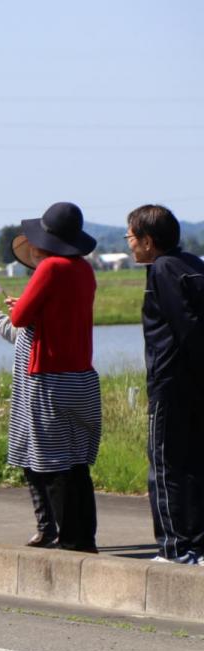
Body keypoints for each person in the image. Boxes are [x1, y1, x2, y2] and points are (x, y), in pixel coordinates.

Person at [5, 201, 102, 553]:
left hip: (48, 377)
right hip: (82, 377)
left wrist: (18, 307)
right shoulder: (84, 269)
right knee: (77, 463)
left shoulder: (49, 269)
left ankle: (71, 541)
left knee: (53, 463)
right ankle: (85, 536)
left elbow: (18, 320)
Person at [126, 204, 204, 564]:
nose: (129, 244)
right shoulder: (192, 264)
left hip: (170, 384)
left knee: (165, 467)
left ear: (148, 240)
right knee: (193, 467)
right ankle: (197, 546)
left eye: (131, 236)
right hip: (194, 385)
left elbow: (185, 325)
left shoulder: (161, 269)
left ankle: (175, 549)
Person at [0, 235, 60, 548]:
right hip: (27, 396)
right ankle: (46, 526)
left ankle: (53, 526)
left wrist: (22, 311)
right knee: (30, 461)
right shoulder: (37, 297)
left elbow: (24, 329)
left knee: (46, 464)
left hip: (44, 391)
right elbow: (15, 333)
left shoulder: (54, 295)